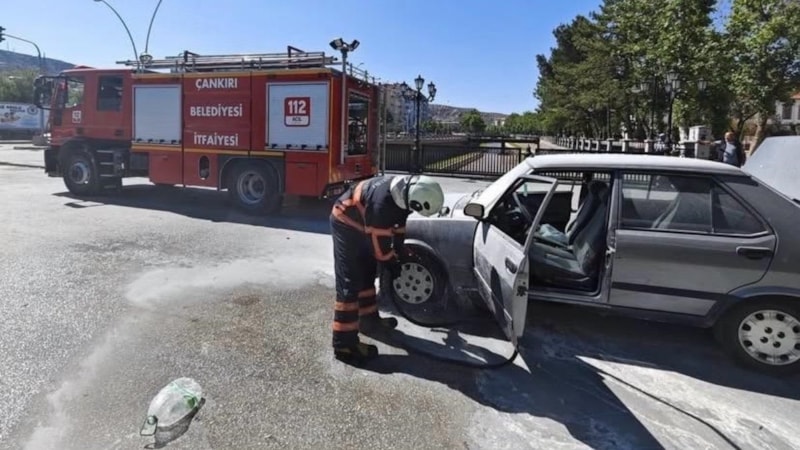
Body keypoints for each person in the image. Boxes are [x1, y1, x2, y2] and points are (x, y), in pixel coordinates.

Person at [329, 174, 445, 364]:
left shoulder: (404, 192)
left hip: (363, 223)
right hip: (346, 223)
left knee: (367, 272)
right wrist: (391, 263)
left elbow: (398, 224)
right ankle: (344, 345)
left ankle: (368, 320)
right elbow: (380, 246)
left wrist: (400, 249)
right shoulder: (381, 204)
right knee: (350, 281)